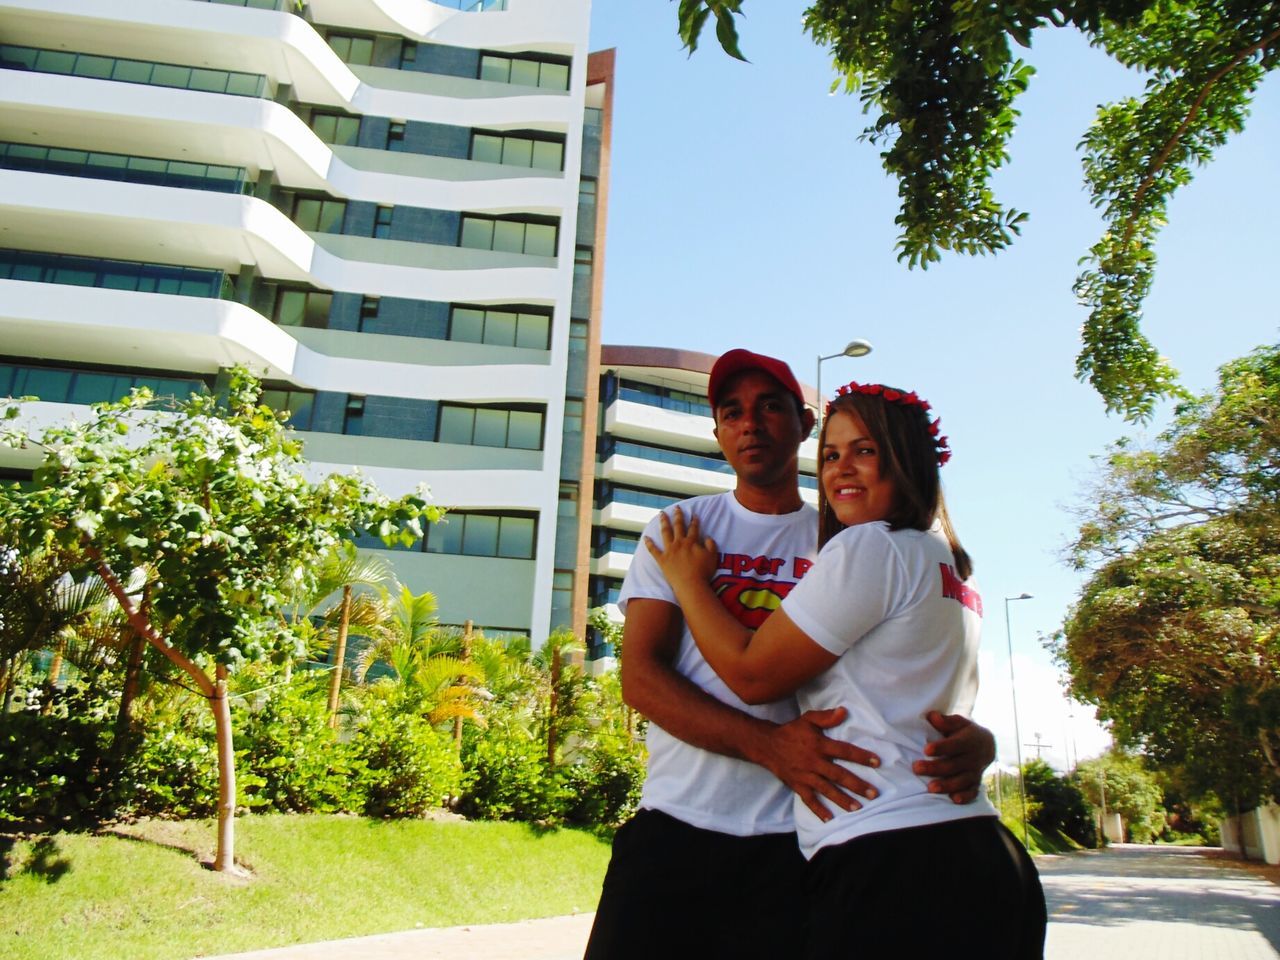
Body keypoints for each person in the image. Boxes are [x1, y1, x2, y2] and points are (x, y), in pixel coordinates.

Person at [583, 350, 998, 960]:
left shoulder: (850, 535)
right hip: (678, 824)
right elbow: (642, 680)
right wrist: (768, 746)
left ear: (804, 424)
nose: (750, 423)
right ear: (719, 432)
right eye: (732, 412)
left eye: (770, 406)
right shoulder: (677, 531)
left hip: (801, 841)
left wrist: (981, 741)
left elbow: (919, 657)